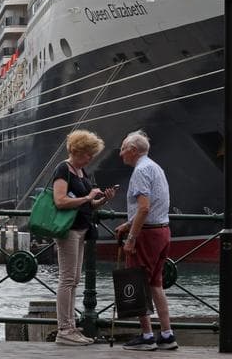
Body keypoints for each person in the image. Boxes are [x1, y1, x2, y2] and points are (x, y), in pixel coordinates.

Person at [114, 130, 176, 351]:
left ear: (133, 150)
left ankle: (147, 336)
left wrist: (131, 237)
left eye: (123, 148)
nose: (120, 153)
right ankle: (167, 335)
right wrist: (129, 223)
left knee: (137, 282)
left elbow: (144, 207)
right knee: (156, 284)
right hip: (163, 231)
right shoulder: (155, 167)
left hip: (147, 235)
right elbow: (155, 205)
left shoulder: (140, 171)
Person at [52, 129, 115, 346]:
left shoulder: (82, 172)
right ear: (78, 151)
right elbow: (60, 201)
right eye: (89, 153)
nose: (91, 158)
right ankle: (64, 329)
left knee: (75, 279)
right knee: (67, 278)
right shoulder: (63, 169)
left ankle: (71, 326)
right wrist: (87, 196)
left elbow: (88, 204)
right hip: (68, 230)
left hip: (82, 229)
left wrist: (102, 200)